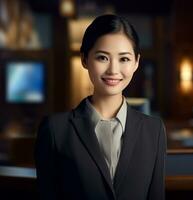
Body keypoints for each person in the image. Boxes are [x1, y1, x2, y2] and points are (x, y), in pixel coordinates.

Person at [34, 14, 166, 200]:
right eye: (103, 58)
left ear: (136, 62)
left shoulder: (154, 131)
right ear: (85, 59)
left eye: (124, 59)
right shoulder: (55, 130)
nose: (113, 70)